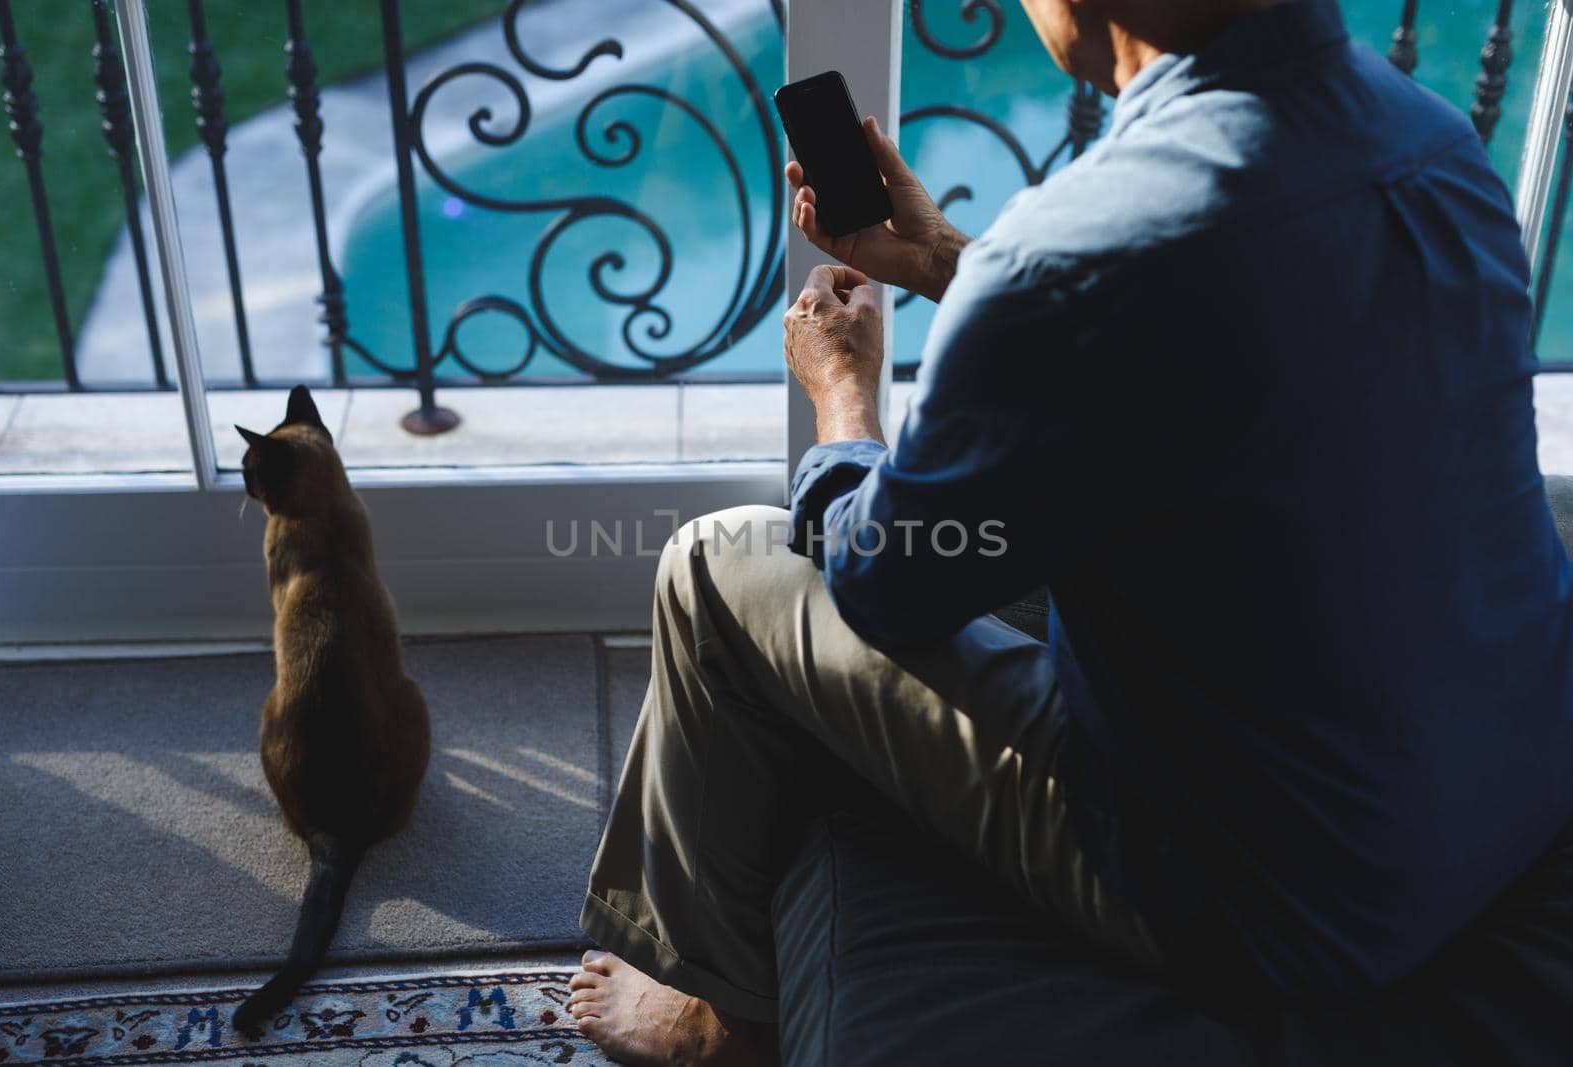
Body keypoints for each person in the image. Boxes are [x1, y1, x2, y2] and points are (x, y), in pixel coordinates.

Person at [568, 0, 1573, 1062]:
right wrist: (954, 261)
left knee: (718, 563)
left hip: (1282, 901)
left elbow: (883, 582)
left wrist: (842, 396)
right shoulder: (1432, 140)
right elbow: (1207, 353)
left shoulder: (1078, 249)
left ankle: (717, 1013)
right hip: (1509, 788)